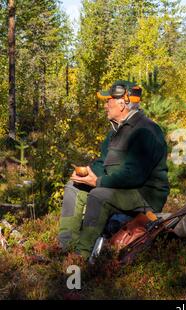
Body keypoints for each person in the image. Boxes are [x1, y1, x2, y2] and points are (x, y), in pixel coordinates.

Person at [58, 80, 170, 259]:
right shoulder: (115, 133)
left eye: (108, 100)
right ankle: (66, 246)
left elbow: (134, 176)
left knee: (98, 195)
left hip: (144, 195)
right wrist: (88, 172)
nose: (104, 105)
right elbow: (103, 163)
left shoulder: (146, 131)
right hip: (121, 189)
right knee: (73, 186)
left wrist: (98, 182)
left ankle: (81, 256)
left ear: (122, 102)